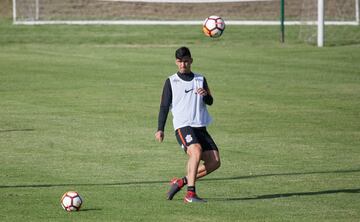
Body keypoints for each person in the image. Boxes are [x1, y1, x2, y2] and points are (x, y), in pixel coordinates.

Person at [155, 46, 221, 203]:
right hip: (183, 126)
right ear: (176, 62)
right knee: (196, 151)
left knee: (215, 162)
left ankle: (181, 182)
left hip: (200, 127)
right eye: (179, 62)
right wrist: (160, 129)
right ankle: (191, 194)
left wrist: (205, 96)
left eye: (185, 61)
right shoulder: (171, 81)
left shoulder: (200, 79)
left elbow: (210, 101)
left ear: (191, 61)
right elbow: (164, 106)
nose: (183, 65)